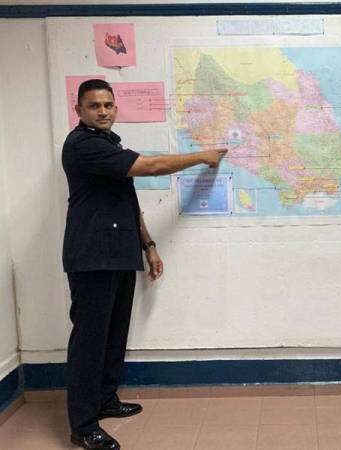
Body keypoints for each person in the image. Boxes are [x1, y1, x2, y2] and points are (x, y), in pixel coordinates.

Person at [63, 79, 227, 450]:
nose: (102, 111)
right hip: (92, 256)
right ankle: (83, 425)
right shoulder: (83, 145)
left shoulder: (110, 144)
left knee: (113, 334)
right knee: (90, 341)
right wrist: (202, 156)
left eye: (108, 104)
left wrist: (149, 245)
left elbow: (126, 200)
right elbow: (151, 167)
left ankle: (105, 400)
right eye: (94, 106)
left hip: (119, 252)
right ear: (79, 111)